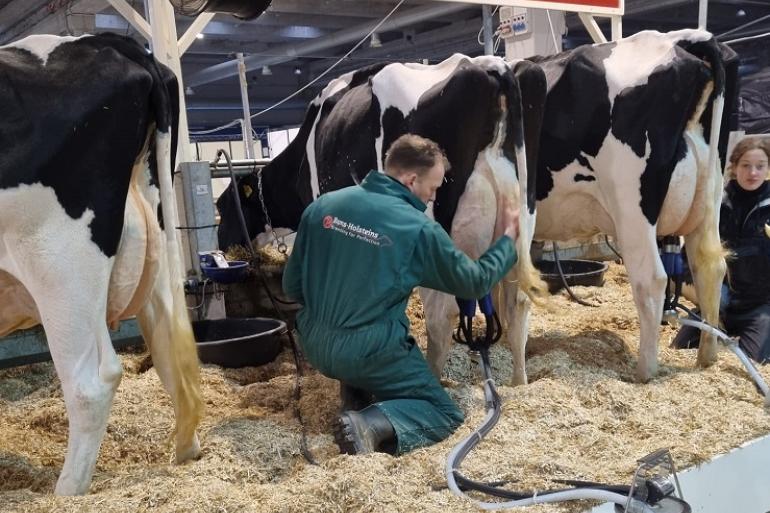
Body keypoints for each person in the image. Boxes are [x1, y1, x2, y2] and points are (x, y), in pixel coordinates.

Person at [282, 134, 520, 455]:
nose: (433, 197)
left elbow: (291, 288)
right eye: (433, 188)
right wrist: (507, 240)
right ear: (410, 179)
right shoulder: (416, 228)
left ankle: (355, 394)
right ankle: (369, 423)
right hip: (370, 353)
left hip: (314, 344)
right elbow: (474, 282)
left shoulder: (322, 206)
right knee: (444, 414)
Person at [672, 137, 770, 363]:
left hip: (759, 307)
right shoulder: (716, 204)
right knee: (679, 352)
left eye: (760, 166)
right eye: (745, 165)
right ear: (734, 167)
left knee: (752, 363)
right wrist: (691, 285)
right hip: (716, 303)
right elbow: (692, 253)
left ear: (767, 168)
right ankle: (719, 329)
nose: (752, 173)